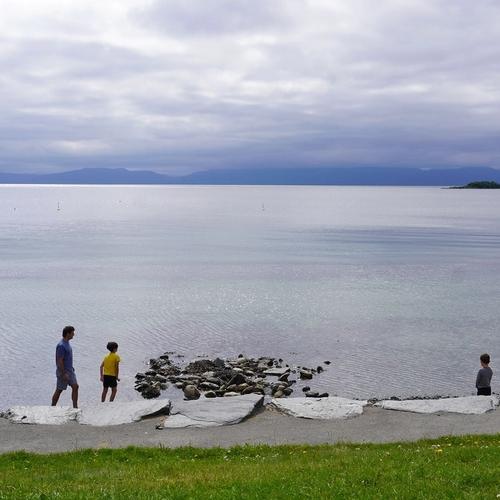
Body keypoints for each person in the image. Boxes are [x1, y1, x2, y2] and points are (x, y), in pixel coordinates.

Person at [51, 325, 79, 408]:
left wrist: (71, 368)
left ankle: (75, 407)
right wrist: (63, 373)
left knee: (75, 386)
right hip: (63, 372)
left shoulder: (67, 343)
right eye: (72, 333)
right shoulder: (61, 345)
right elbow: (59, 361)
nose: (73, 334)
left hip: (70, 371)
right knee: (59, 390)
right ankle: (52, 407)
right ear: (68, 334)